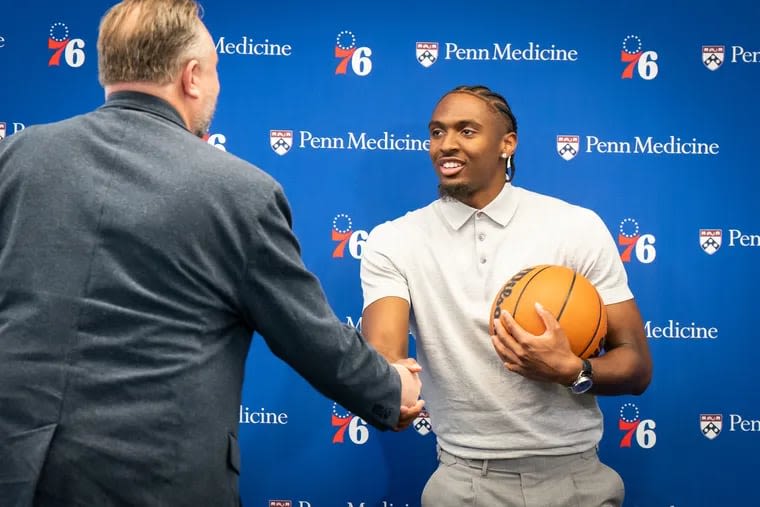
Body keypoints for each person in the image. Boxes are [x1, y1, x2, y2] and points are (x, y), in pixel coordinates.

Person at [0, 1, 423, 505]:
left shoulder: (16, 158)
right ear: (192, 77)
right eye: (217, 69)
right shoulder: (238, 191)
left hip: (18, 470)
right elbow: (307, 335)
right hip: (158, 482)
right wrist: (389, 389)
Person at [360, 85, 653, 507]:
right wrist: (391, 385)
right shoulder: (394, 240)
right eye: (437, 132)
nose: (447, 145)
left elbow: (637, 366)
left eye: (466, 131)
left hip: (576, 479)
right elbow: (385, 350)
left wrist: (570, 369)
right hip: (465, 482)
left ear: (507, 143)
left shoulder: (576, 227)